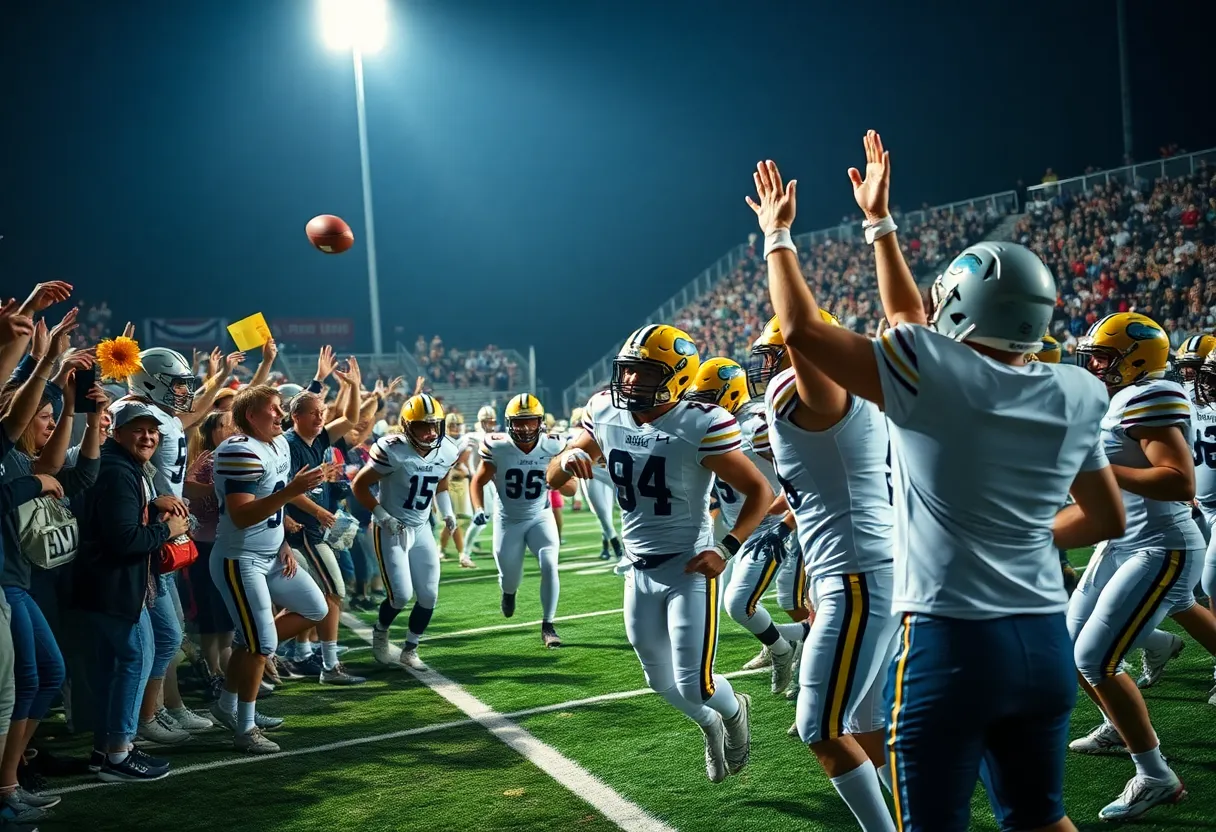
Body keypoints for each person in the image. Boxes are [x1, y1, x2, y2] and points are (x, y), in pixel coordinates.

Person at [744, 135, 1121, 831]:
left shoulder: (935, 381)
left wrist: (778, 235)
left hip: (955, 645)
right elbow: (1107, 518)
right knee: (1041, 819)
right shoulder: (1073, 391)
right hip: (1043, 640)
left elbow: (802, 325)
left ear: (962, 311)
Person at [547, 324, 772, 783]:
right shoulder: (604, 411)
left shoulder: (701, 422)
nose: (629, 382)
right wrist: (566, 459)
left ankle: (734, 713)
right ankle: (709, 724)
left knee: (696, 682)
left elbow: (759, 491)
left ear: (676, 375)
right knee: (658, 681)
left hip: (688, 566)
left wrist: (727, 548)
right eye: (627, 371)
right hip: (637, 567)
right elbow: (556, 477)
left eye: (644, 373)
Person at [750, 159, 903, 828]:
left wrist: (777, 240)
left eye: (776, 350)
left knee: (819, 726)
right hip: (868, 565)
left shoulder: (812, 388)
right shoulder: (873, 386)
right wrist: (877, 223)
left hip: (862, 574)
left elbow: (809, 342)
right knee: (865, 722)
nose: (768, 363)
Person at [1065, 312, 1195, 819]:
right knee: (1070, 647)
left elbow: (1177, 480)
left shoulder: (1150, 397)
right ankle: (1123, 728)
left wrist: (1098, 467)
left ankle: (1155, 774)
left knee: (1096, 658)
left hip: (1161, 545)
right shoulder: (1118, 398)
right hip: (1123, 542)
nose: (1095, 365)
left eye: (1104, 356)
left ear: (1137, 359)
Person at [72, 400, 190, 782]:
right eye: (138, 429)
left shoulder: (123, 466)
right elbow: (124, 540)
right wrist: (166, 531)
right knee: (135, 659)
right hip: (115, 585)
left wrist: (152, 506)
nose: (148, 436)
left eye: (152, 430)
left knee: (124, 663)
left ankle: (106, 748)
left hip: (110, 583)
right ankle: (118, 753)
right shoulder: (118, 471)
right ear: (117, 433)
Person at [207, 385, 328, 754]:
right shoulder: (237, 450)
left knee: (315, 609)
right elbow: (243, 515)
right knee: (261, 644)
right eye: (272, 409)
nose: (280, 414)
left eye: (280, 408)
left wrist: (284, 543)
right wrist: (291, 491)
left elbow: (272, 506)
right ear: (250, 417)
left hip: (271, 554)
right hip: (239, 559)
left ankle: (227, 704)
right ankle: (245, 728)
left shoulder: (276, 446)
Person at [685, 358, 807, 695]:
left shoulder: (754, 424)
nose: (702, 405)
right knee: (748, 600)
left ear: (729, 392)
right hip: (744, 526)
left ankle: (797, 654)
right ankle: (782, 647)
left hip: (774, 525)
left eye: (709, 397)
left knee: (751, 602)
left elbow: (799, 471)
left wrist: (785, 520)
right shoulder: (712, 424)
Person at [352, 394, 461, 671]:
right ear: (406, 426)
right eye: (422, 426)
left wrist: (447, 511)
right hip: (392, 528)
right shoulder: (392, 450)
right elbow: (359, 486)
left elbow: (442, 484)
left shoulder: (447, 449)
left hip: (422, 526)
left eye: (434, 425)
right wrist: (382, 516)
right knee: (400, 595)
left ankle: (411, 648)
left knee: (428, 594)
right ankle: (381, 631)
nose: (429, 432)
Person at [282, 359, 365, 686]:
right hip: (302, 531)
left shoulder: (317, 439)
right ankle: (325, 664)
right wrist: (316, 511)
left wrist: (355, 386)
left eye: (322, 412)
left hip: (313, 527)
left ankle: (308, 656)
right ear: (295, 416)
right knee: (331, 591)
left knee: (323, 596)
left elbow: (352, 419)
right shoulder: (289, 445)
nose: (321, 417)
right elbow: (286, 491)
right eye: (314, 412)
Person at [470, 393, 575, 648]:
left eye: (530, 421)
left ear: (540, 422)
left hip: (540, 515)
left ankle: (548, 625)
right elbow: (478, 480)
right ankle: (508, 592)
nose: (525, 427)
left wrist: (562, 476)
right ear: (509, 424)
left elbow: (571, 488)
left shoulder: (553, 445)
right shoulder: (498, 447)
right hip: (508, 520)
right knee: (510, 577)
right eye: (519, 422)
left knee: (550, 564)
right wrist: (477, 508)